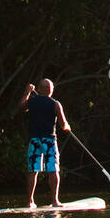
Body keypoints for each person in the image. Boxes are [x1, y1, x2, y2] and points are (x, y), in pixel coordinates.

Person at [20, 78, 71, 208]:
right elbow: (63, 124)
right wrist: (67, 127)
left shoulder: (31, 101)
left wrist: (27, 92)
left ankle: (30, 201)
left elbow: (21, 107)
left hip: (34, 140)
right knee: (53, 170)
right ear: (50, 90)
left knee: (33, 170)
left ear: (39, 89)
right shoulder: (55, 104)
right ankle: (54, 201)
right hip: (49, 140)